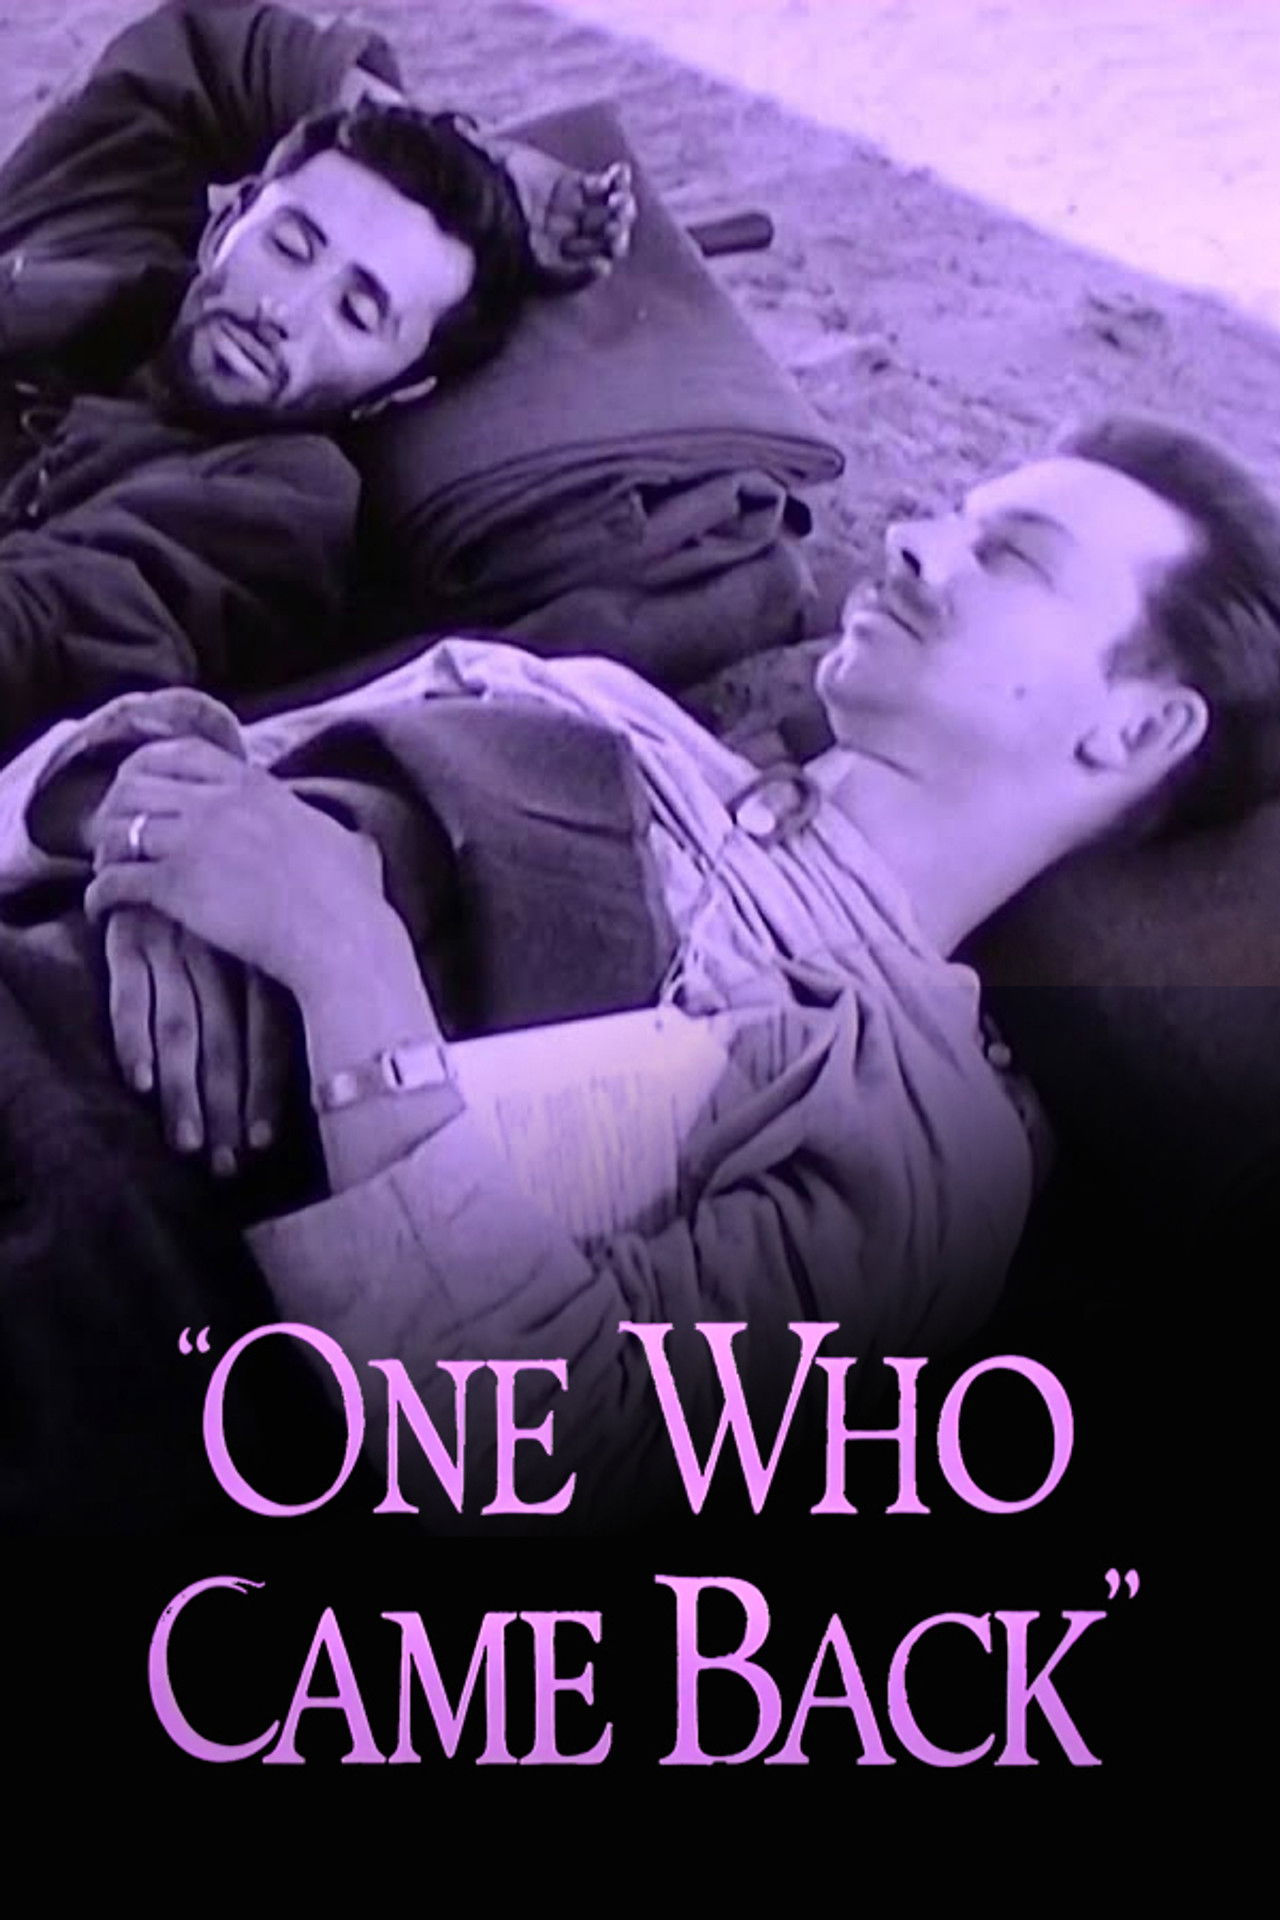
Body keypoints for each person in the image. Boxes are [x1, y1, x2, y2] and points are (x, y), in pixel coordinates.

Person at [34, 413, 1273, 1517]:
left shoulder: (913, 1123)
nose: (910, 540)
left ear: (1138, 729)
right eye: (949, 512)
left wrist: (341, 962)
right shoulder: (577, 700)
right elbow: (88, 780)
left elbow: (561, 1456)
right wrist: (143, 822)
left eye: (1011, 558)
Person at [0, 0, 632, 758]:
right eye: (290, 246)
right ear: (229, 219)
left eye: (357, 313)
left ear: (401, 388)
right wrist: (477, 149)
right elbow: (211, 49)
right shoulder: (93, 235)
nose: (281, 310)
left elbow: (42, 630)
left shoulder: (276, 502)